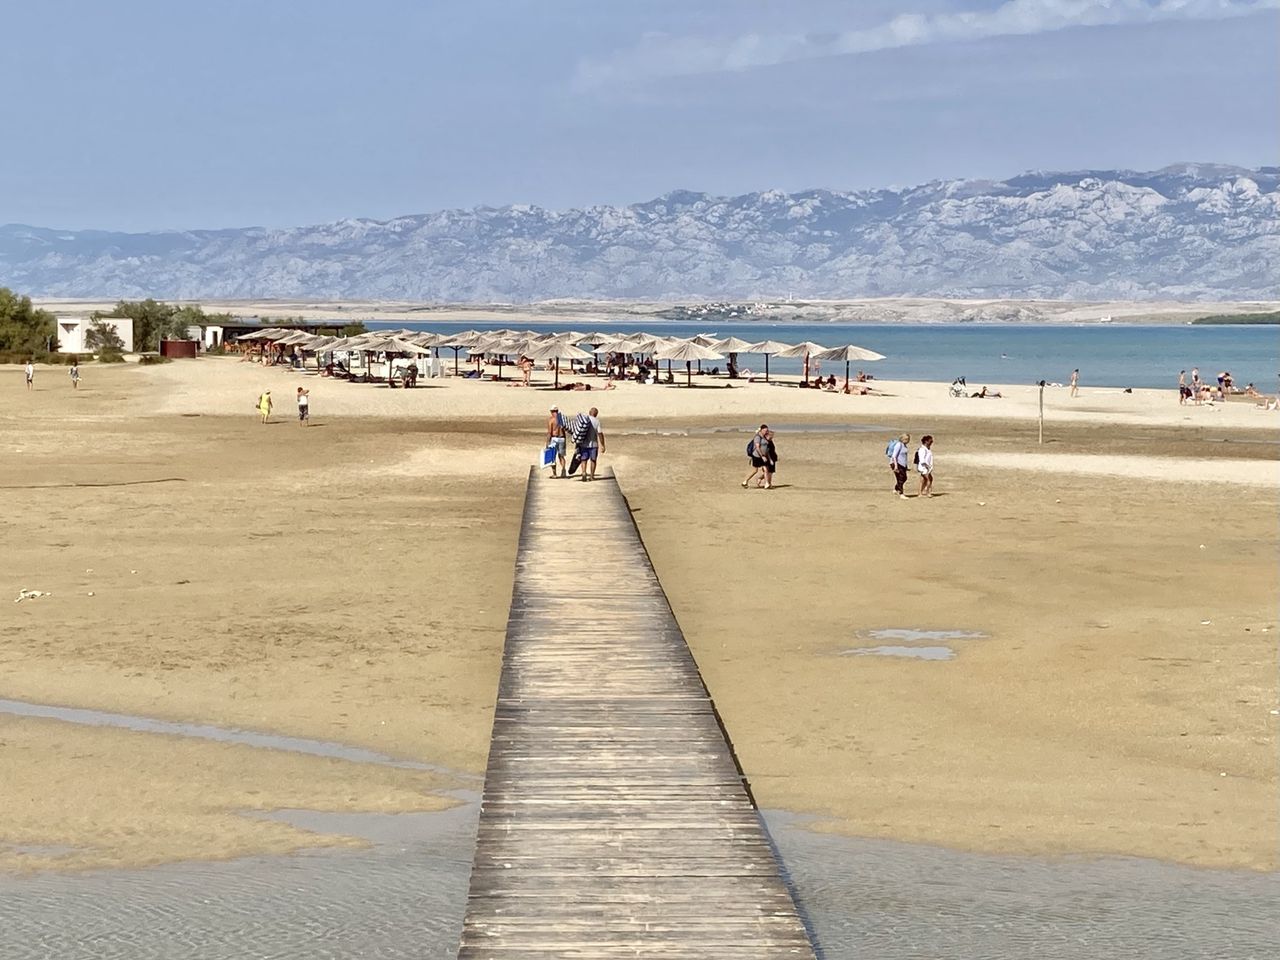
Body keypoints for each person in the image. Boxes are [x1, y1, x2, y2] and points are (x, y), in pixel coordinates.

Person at [578, 406, 605, 481]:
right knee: (593, 460)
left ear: (590, 413)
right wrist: (602, 445)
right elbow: (600, 433)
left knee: (584, 459)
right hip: (594, 444)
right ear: (596, 414)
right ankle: (592, 476)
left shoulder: (584, 420)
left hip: (583, 443)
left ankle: (583, 472)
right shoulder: (597, 421)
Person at [743, 424, 769, 488]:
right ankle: (745, 481)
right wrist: (762, 456)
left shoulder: (764, 437)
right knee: (755, 470)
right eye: (765, 430)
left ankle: (767, 484)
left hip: (763, 456)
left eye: (767, 430)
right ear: (761, 430)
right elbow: (757, 447)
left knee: (765, 469)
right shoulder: (757, 437)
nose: (766, 432)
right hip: (757, 456)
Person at [546, 405, 567, 478]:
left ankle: (554, 474)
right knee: (561, 456)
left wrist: (547, 443)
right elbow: (565, 430)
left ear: (551, 411)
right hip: (562, 438)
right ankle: (563, 470)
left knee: (552, 457)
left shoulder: (551, 420)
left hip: (554, 438)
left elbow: (549, 432)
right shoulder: (562, 419)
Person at [887, 432, 910, 498]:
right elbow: (894, 456)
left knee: (904, 478)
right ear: (902, 438)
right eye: (906, 439)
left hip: (902, 464)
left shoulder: (904, 445)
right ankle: (901, 493)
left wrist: (906, 466)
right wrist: (896, 466)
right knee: (900, 478)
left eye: (908, 439)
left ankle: (896, 489)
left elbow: (904, 456)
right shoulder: (898, 445)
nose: (907, 440)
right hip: (896, 463)